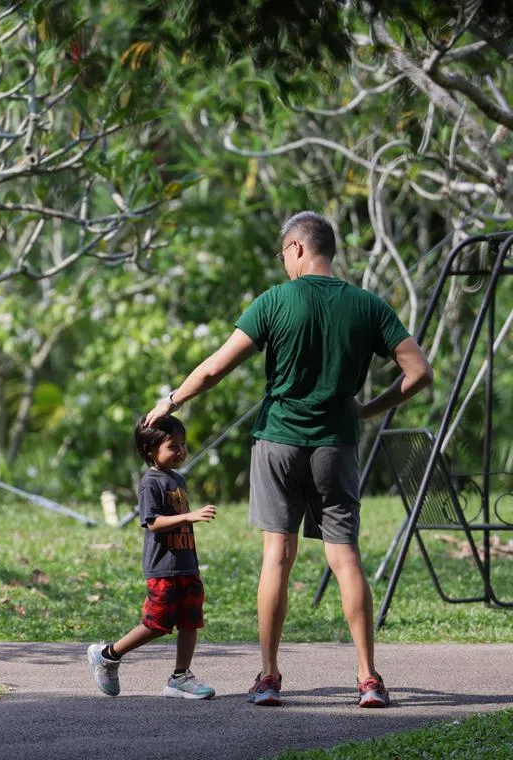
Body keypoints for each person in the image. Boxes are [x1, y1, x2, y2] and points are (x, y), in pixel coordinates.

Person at [143, 211, 433, 708]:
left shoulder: (276, 301)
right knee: (345, 559)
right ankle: (368, 678)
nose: (283, 264)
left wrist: (172, 400)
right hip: (336, 445)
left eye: (283, 254)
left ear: (297, 248)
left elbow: (214, 368)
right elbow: (420, 372)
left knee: (277, 555)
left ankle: (271, 677)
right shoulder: (367, 305)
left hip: (278, 442)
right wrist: (368, 409)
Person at [86, 414, 219, 699]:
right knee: (157, 624)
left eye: (183, 445)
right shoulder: (151, 482)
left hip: (186, 564)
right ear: (150, 451)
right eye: (173, 446)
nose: (181, 451)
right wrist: (190, 516)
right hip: (163, 567)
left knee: (190, 619)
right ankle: (108, 654)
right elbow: (152, 522)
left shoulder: (177, 478)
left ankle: (180, 677)